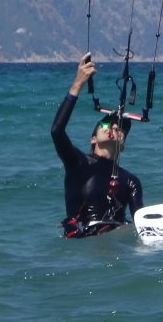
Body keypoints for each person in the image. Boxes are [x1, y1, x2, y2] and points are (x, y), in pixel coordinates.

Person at [51, 53, 144, 238]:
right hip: (82, 242)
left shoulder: (131, 181)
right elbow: (57, 131)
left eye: (120, 128)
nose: (115, 127)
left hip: (117, 244)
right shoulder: (78, 164)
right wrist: (77, 84)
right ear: (93, 139)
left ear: (123, 144)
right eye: (107, 124)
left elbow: (141, 226)